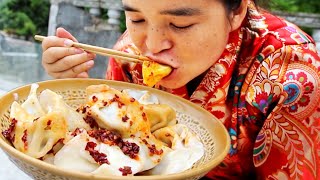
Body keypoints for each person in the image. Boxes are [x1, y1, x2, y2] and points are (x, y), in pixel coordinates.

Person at [40, 0, 320, 179]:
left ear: (236, 11)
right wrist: (72, 98)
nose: (152, 44)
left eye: (180, 24)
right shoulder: (129, 52)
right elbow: (111, 158)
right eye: (137, 19)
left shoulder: (291, 71)